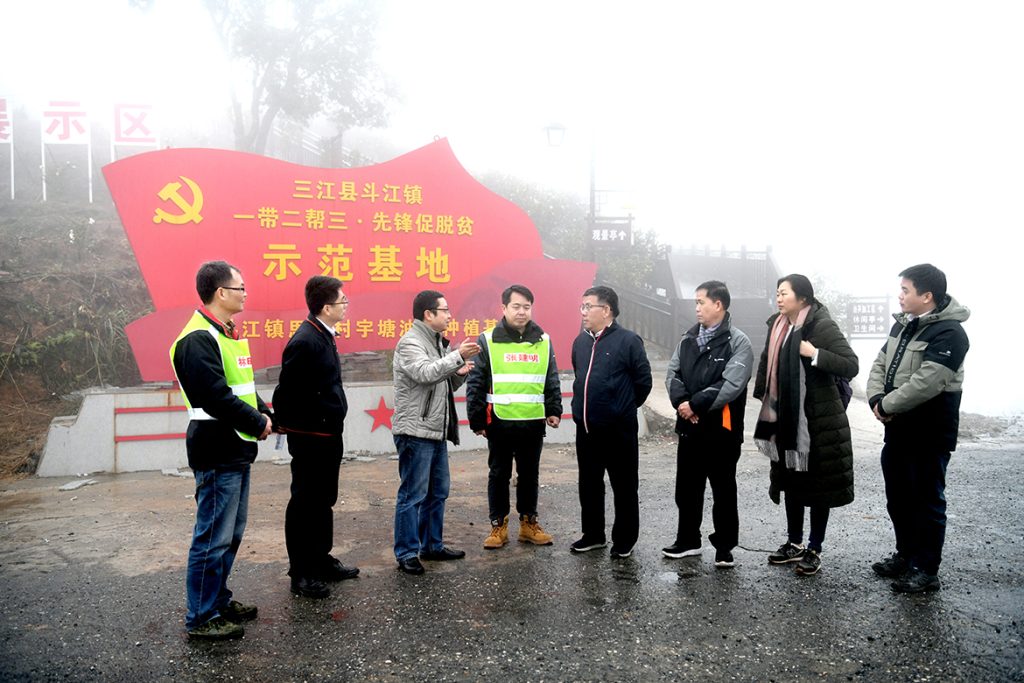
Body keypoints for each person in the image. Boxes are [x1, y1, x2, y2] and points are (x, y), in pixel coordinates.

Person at [170, 261, 273, 640]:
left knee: (230, 534)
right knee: (212, 537)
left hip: (235, 448)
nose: (245, 294)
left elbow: (239, 387)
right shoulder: (197, 339)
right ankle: (201, 616)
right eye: (240, 287)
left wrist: (263, 412)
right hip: (216, 449)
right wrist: (256, 422)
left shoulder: (224, 333)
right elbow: (215, 396)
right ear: (221, 292)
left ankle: (217, 600)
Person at [867, 264, 969, 593]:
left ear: (927, 296)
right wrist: (876, 399)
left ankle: (926, 570)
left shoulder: (951, 333)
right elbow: (880, 364)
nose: (900, 296)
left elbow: (928, 382)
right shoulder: (903, 326)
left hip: (929, 433)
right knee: (898, 498)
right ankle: (906, 555)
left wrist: (887, 406)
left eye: (905, 290)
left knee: (927, 502)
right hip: (898, 431)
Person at [753, 274, 858, 577]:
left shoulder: (820, 325)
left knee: (818, 484)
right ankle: (794, 542)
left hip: (817, 420)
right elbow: (766, 361)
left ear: (803, 298)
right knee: (791, 479)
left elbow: (850, 364)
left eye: (784, 293)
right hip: (784, 416)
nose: (779, 298)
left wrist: (815, 354)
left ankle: (814, 547)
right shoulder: (777, 325)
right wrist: (764, 396)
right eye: (777, 293)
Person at [272, 275, 359, 599]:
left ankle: (321, 560)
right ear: (326, 307)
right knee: (305, 503)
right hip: (310, 438)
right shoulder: (305, 341)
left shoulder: (324, 335)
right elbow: (287, 393)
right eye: (342, 301)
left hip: (328, 433)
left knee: (324, 500)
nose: (346, 306)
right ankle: (301, 572)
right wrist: (295, 425)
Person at [663, 281, 753, 568]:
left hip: (722, 432)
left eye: (701, 302)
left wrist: (695, 405)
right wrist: (682, 403)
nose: (697, 308)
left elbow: (731, 384)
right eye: (696, 303)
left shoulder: (738, 342)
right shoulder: (688, 339)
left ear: (719, 304)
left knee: (723, 490)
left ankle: (724, 547)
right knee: (687, 489)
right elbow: (673, 374)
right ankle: (688, 540)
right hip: (690, 428)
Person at [466, 284, 563, 549]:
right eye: (516, 306)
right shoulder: (487, 340)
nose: (522, 312)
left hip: (532, 421)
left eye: (526, 307)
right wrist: (477, 419)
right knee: (499, 474)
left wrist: (554, 409)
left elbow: (550, 377)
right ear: (504, 308)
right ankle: (498, 526)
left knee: (529, 474)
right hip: (499, 421)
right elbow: (476, 381)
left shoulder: (543, 340)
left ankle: (529, 524)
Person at [392, 290, 480, 575]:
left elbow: (442, 383)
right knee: (413, 495)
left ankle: (432, 545)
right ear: (428, 314)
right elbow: (425, 373)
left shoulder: (437, 343)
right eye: (445, 310)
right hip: (415, 432)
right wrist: (457, 356)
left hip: (435, 430)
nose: (450, 315)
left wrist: (459, 372)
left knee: (438, 492)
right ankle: (407, 552)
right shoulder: (410, 342)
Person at [570, 286, 652, 558]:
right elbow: (580, 377)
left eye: (588, 306)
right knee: (589, 484)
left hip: (619, 430)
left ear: (606, 310)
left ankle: (625, 539)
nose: (583, 312)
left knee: (624, 485)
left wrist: (621, 408)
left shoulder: (629, 341)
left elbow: (643, 382)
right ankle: (593, 535)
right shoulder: (580, 343)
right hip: (587, 428)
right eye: (582, 306)